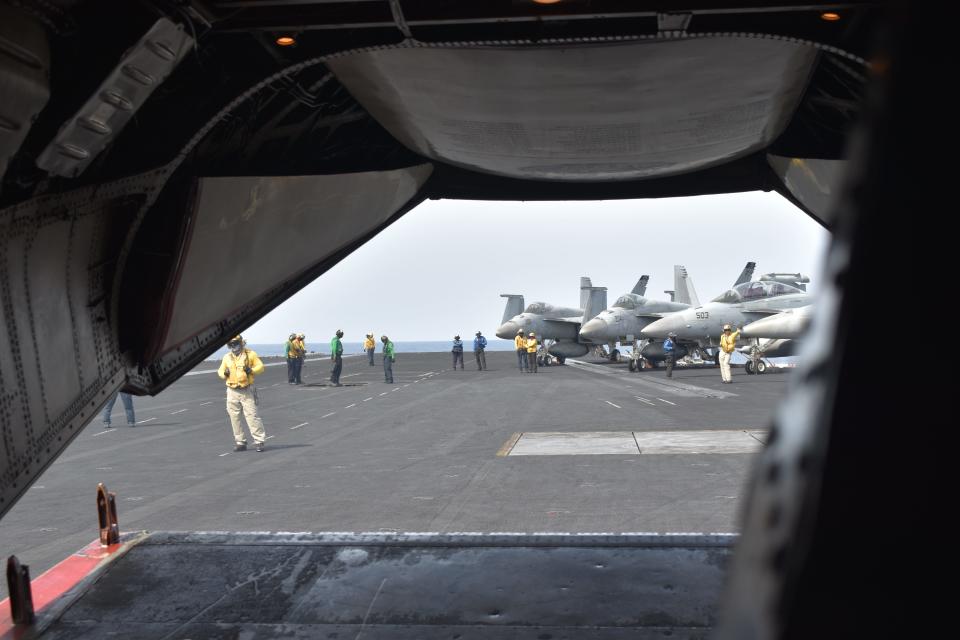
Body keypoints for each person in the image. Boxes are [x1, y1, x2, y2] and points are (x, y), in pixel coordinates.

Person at [218, 335, 267, 452]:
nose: (233, 346)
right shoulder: (227, 357)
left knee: (252, 416)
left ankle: (259, 441)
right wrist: (224, 373)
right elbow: (220, 371)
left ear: (241, 343)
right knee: (234, 417)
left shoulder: (250, 354)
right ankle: (240, 442)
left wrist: (252, 370)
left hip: (247, 389)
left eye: (235, 343)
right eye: (231, 344)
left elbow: (261, 367)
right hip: (232, 390)